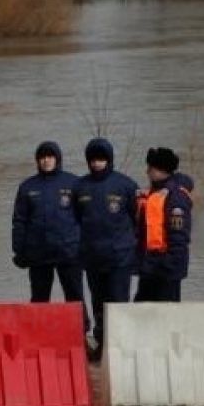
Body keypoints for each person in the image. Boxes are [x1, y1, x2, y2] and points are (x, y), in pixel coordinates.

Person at [73, 138, 139, 359]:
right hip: (92, 258)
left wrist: (132, 251)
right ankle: (102, 345)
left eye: (101, 159)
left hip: (120, 257)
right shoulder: (80, 187)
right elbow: (75, 219)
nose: (97, 164)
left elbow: (136, 219)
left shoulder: (126, 185)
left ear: (109, 160)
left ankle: (121, 349)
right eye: (93, 160)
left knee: (119, 303)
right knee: (98, 303)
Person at [11, 141, 87, 329]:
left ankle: (81, 333)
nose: (46, 161)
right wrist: (19, 250)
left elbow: (85, 218)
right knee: (39, 297)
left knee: (75, 296)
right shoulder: (27, 187)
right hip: (38, 253)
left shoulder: (73, 183)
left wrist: (84, 247)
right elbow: (19, 221)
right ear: (37, 160)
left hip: (68, 251)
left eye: (50, 157)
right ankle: (37, 334)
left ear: (57, 159)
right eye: (42, 157)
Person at [135, 147, 193, 303]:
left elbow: (179, 235)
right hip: (150, 266)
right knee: (142, 310)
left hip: (166, 268)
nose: (147, 172)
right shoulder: (154, 193)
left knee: (166, 314)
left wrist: (169, 264)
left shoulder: (176, 197)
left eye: (150, 168)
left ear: (161, 170)